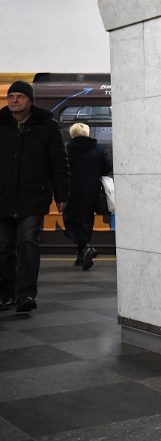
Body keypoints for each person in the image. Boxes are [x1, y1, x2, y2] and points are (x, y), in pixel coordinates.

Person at [0, 80, 70, 312]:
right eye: (11, 96)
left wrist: (62, 194)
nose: (14, 100)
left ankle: (26, 295)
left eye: (20, 96)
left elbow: (59, 163)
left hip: (33, 196)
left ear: (30, 101)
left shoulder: (47, 127)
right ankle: (6, 293)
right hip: (3, 197)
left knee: (28, 243)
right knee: (4, 247)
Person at [63, 123, 113, 270]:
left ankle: (85, 248)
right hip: (92, 191)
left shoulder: (66, 149)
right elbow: (107, 167)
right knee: (86, 220)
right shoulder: (98, 149)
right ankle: (81, 254)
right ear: (87, 133)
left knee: (71, 221)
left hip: (70, 191)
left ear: (72, 134)